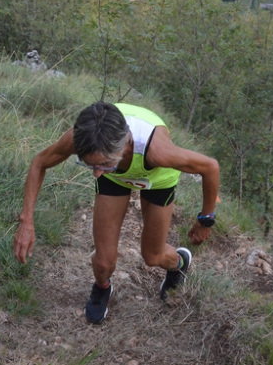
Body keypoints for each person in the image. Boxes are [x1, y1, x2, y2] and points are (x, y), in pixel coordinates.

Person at [13, 102, 220, 324]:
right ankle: (103, 288)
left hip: (157, 179)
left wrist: (205, 221)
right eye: (89, 165)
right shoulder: (85, 137)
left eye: (102, 163)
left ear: (126, 144)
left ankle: (180, 262)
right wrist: (26, 221)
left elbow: (210, 167)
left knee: (152, 256)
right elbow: (39, 162)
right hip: (115, 177)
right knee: (103, 262)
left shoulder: (158, 152)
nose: (95, 174)